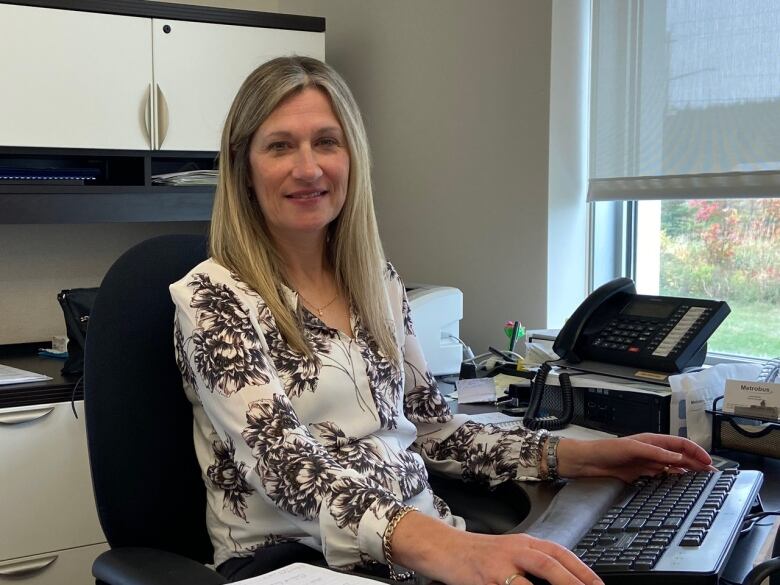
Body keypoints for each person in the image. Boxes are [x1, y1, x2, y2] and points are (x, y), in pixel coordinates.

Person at [169, 55, 713, 585]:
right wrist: (451, 547)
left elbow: (432, 431)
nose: (308, 168)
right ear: (243, 166)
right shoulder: (213, 298)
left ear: (352, 156)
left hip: (416, 548)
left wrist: (579, 455)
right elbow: (290, 474)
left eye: (327, 142)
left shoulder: (375, 280)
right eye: (280, 146)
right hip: (295, 563)